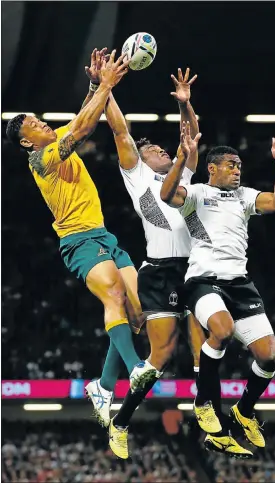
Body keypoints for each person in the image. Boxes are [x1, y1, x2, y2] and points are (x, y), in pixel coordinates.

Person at [5, 49, 158, 397]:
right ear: (27, 141)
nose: (41, 122)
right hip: (78, 241)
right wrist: (106, 84)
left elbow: (82, 117)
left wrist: (93, 85)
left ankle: (103, 387)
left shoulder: (56, 137)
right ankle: (135, 368)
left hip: (104, 235)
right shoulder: (41, 159)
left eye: (38, 118)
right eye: (33, 124)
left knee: (140, 312)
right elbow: (86, 127)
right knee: (115, 295)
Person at [161, 124, 275, 458]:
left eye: (239, 166)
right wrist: (180, 158)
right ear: (213, 168)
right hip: (203, 281)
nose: (238, 171)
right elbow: (167, 196)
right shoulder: (196, 193)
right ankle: (205, 402)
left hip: (240, 284)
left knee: (270, 356)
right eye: (231, 166)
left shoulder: (246, 196)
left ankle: (244, 410)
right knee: (220, 330)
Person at [97, 68, 206, 459]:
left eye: (163, 149)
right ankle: (121, 421)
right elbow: (121, 132)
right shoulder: (137, 174)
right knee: (160, 355)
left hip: (195, 268)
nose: (162, 151)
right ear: (141, 159)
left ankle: (207, 407)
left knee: (205, 339)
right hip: (159, 271)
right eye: (154, 150)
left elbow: (190, 137)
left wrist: (185, 102)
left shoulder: (183, 175)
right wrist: (104, 88)